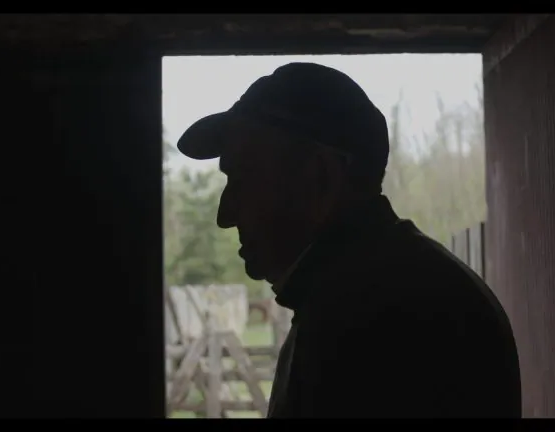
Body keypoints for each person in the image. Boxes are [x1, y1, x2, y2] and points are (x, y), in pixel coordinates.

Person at [176, 62, 521, 418]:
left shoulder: (370, 319)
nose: (225, 215)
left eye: (243, 179)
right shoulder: (386, 289)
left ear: (320, 176)